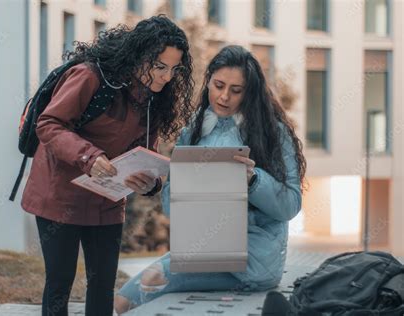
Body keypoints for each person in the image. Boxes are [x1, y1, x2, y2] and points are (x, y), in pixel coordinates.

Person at [20, 16, 194, 316]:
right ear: (140, 55)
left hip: (107, 200)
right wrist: (88, 156)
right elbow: (48, 124)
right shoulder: (90, 76)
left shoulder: (154, 98)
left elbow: (145, 152)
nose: (167, 77)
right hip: (59, 194)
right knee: (60, 284)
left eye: (173, 69)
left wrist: (151, 183)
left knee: (103, 286)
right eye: (160, 66)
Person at [114, 45, 307, 314]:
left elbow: (290, 205)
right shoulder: (194, 130)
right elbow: (173, 209)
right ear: (208, 84)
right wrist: (174, 184)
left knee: (150, 281)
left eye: (236, 90)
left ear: (249, 94)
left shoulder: (274, 133)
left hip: (253, 262)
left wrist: (253, 181)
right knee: (122, 301)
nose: (224, 96)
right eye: (218, 85)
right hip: (204, 251)